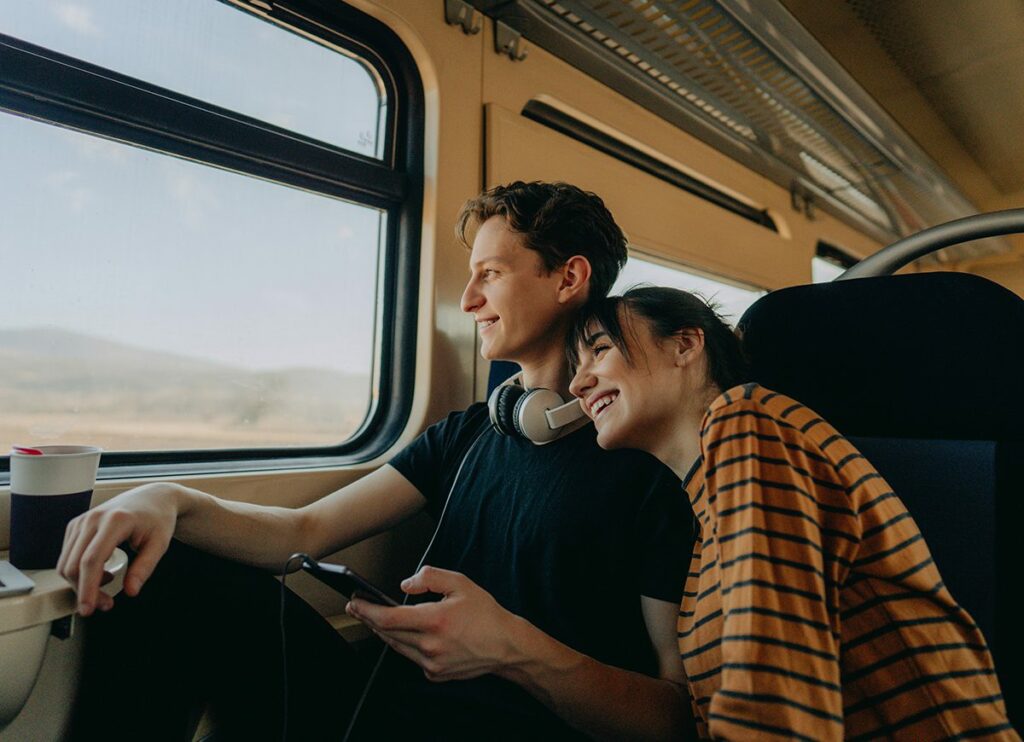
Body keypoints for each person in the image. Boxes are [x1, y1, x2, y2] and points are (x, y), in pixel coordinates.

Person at [59, 182, 694, 740]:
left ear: (568, 278)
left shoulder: (645, 462)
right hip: (383, 709)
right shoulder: (468, 434)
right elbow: (301, 533)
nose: (469, 299)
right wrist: (168, 497)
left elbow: (677, 716)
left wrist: (512, 649)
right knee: (171, 565)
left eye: (491, 274)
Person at [567, 286, 1018, 740]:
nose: (577, 384)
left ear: (685, 345)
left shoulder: (745, 424)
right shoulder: (706, 514)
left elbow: (773, 689)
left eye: (600, 350)